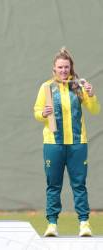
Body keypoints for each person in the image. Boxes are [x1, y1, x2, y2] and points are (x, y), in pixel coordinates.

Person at [34, 47, 100, 237]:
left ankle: (84, 223)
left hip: (78, 144)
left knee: (79, 184)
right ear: (54, 69)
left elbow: (94, 109)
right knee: (53, 185)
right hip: (53, 144)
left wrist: (91, 94)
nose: (63, 70)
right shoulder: (46, 87)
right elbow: (37, 112)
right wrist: (43, 114)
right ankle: (52, 224)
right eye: (60, 67)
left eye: (66, 67)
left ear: (71, 69)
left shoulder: (79, 86)